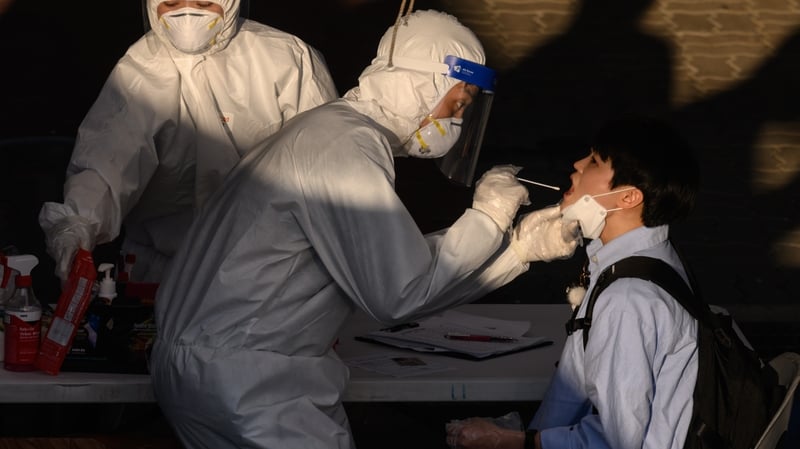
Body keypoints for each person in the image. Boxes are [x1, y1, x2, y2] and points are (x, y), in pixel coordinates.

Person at [149, 9, 581, 449]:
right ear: (420, 83)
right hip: (252, 386)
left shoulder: (328, 133)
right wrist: (487, 218)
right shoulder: (346, 146)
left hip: (218, 371)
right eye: (458, 103)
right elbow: (398, 293)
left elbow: (394, 270)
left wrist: (516, 251)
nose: (456, 121)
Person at [445, 116, 701, 449]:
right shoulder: (644, 259)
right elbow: (573, 387)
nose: (577, 165)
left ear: (628, 198)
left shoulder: (628, 298)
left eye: (595, 161)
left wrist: (512, 441)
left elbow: (618, 440)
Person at [38, 0, 338, 282]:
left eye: (205, 4)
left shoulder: (284, 59)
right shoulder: (140, 69)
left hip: (269, 273)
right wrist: (77, 222)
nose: (188, 16)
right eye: (171, 4)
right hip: (163, 274)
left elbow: (327, 165)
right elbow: (107, 161)